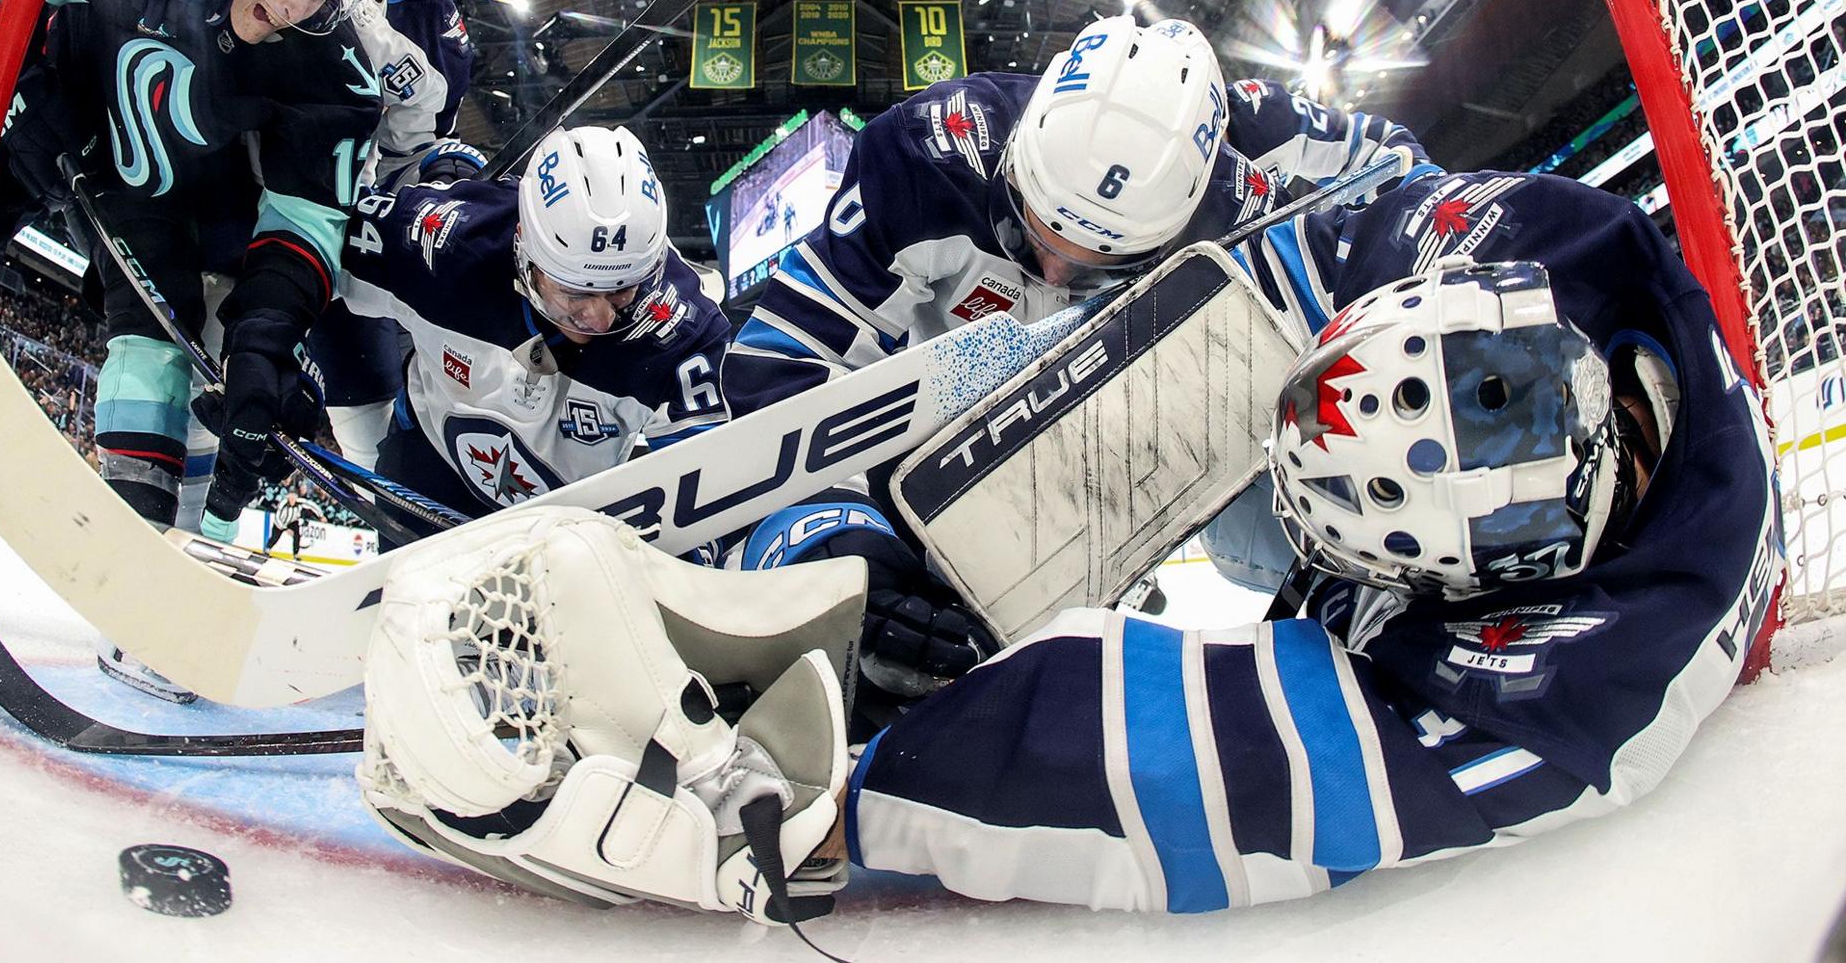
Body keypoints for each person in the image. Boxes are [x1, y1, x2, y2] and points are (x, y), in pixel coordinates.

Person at [357, 171, 1779, 922]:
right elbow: (1264, 282)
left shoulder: (1574, 699)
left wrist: (842, 807)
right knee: (1076, 386)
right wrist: (1014, 413)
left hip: (1466, 656)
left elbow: (1191, 764)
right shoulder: (1538, 233)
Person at [722, 13, 1432, 723]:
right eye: (1032, 232)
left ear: (1189, 214)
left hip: (1151, 418)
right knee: (901, 629)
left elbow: (1414, 184)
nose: (1056, 273)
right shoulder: (927, 150)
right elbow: (785, 356)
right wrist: (836, 539)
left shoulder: (1254, 158)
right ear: (1017, 159)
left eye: (1100, 265)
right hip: (939, 429)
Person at [0, 0, 384, 697]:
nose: (298, 6)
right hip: (57, 129)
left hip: (176, 202)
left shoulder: (333, 64)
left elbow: (306, 216)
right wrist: (21, 84)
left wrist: (265, 336)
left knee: (161, 350)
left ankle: (143, 597)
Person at [139, 0, 492, 471]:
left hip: (323, 212)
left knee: (369, 416)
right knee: (199, 379)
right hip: (212, 171)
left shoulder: (439, 32)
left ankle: (393, 523)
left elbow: (414, 158)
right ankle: (179, 513)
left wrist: (439, 182)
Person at [332, 125, 731, 544]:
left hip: (565, 538)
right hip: (425, 482)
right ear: (524, 250)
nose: (599, 319)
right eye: (575, 292)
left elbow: (708, 491)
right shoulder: (441, 238)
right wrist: (285, 337)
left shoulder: (684, 329)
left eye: (621, 291)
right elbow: (315, 240)